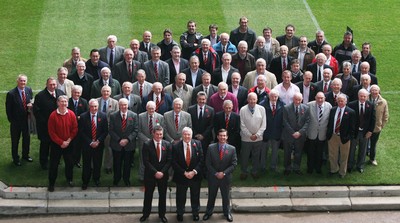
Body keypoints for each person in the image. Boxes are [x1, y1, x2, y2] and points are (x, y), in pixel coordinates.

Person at [203, 129, 237, 222]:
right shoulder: (211, 147)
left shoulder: (232, 149)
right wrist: (215, 173)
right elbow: (208, 163)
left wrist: (224, 173)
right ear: (217, 137)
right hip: (213, 177)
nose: (222, 137)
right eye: (220, 135)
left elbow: (234, 164)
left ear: (227, 137)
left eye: (224, 136)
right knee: (211, 196)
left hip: (225, 178)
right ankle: (208, 212)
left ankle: (227, 213)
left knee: (226, 197)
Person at [140, 125, 172, 223]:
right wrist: (155, 172)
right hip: (150, 175)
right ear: (153, 134)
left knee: (162, 195)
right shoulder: (147, 144)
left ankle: (162, 215)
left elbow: (169, 160)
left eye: (161, 134)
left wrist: (162, 172)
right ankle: (145, 214)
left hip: (163, 175)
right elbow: (146, 161)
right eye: (157, 134)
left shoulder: (167, 144)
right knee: (148, 195)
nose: (159, 136)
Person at [47, 95, 78, 192]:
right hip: (57, 145)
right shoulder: (53, 115)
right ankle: (51, 183)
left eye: (65, 102)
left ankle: (69, 179)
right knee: (54, 164)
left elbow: (75, 129)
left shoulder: (72, 114)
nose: (64, 103)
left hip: (69, 144)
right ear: (58, 103)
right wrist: (61, 142)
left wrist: (68, 141)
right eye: (62, 101)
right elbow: (51, 132)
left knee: (69, 163)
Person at [172, 127, 203, 222]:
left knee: (195, 195)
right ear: (182, 135)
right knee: (180, 196)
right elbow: (174, 162)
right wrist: (184, 172)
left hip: (195, 176)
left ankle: (195, 213)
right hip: (181, 176)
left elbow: (201, 160)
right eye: (185, 134)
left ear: (192, 135)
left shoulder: (197, 144)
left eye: (188, 134)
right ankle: (180, 213)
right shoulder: (176, 146)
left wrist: (194, 172)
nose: (187, 136)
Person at [33, 77, 66, 170]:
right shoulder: (40, 96)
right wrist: (48, 122)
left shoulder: (60, 93)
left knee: (56, 144)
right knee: (45, 144)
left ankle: (55, 160)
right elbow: (37, 112)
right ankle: (43, 162)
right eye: (50, 84)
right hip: (45, 127)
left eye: (54, 84)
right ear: (46, 85)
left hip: (58, 126)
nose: (52, 86)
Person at [79, 99, 108, 190]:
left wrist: (98, 141)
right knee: (86, 163)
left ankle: (96, 179)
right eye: (92, 106)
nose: (94, 108)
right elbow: (81, 132)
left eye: (95, 106)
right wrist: (90, 142)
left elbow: (105, 131)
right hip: (87, 145)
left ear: (98, 106)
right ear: (89, 107)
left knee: (97, 163)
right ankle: (85, 181)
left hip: (99, 145)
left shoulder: (103, 116)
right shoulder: (83, 117)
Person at [109, 98, 138, 186]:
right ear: (119, 105)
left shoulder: (133, 115)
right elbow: (111, 130)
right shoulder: (113, 115)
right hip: (116, 144)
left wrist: (127, 139)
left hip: (129, 145)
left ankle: (126, 179)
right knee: (117, 163)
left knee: (127, 164)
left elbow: (136, 130)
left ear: (128, 105)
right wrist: (119, 140)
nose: (123, 107)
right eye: (121, 105)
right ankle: (116, 179)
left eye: (125, 105)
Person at [6, 74, 34, 166]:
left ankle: (25, 155)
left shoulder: (28, 90)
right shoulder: (11, 94)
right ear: (17, 81)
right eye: (21, 80)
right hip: (16, 123)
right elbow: (8, 109)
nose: (23, 82)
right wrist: (12, 121)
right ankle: (15, 158)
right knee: (15, 141)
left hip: (26, 121)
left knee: (27, 139)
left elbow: (30, 101)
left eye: (24, 81)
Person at [326, 94, 356, 178]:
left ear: (346, 101)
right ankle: (334, 169)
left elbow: (352, 127)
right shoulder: (333, 110)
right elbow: (330, 123)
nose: (340, 102)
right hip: (333, 136)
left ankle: (342, 172)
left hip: (344, 138)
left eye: (342, 101)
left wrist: (348, 137)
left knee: (344, 155)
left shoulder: (351, 112)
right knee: (332, 154)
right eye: (338, 100)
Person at [239, 92, 266, 180]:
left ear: (257, 100)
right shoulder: (242, 109)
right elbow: (242, 125)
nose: (252, 101)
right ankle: (244, 172)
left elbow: (264, 124)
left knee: (256, 156)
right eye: (250, 99)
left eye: (254, 99)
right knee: (245, 156)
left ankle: (254, 171)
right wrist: (249, 135)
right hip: (246, 139)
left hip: (258, 139)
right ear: (247, 100)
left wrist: (257, 135)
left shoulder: (262, 109)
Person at [348, 89, 375, 173]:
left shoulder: (370, 105)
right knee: (351, 150)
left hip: (365, 132)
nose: (362, 98)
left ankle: (360, 166)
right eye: (361, 96)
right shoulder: (351, 105)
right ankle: (350, 165)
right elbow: (349, 119)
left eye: (364, 96)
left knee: (363, 150)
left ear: (367, 97)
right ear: (358, 96)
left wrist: (370, 131)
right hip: (354, 132)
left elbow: (373, 119)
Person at [282, 92, 310, 176]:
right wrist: (292, 132)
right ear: (293, 99)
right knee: (287, 152)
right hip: (289, 134)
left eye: (299, 100)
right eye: (296, 99)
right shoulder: (286, 108)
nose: (297, 101)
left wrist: (300, 132)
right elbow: (285, 121)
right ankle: (287, 168)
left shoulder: (306, 108)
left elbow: (307, 121)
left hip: (300, 135)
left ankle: (296, 168)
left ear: (302, 100)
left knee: (298, 152)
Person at [137, 101, 165, 182]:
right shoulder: (140, 116)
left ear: (155, 108)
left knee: (155, 159)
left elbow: (162, 130)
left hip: (156, 142)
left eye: (153, 108)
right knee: (143, 159)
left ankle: (154, 175)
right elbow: (138, 131)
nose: (151, 110)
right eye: (149, 108)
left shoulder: (160, 117)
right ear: (146, 108)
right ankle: (142, 176)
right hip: (143, 142)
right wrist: (147, 140)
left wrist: (154, 140)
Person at [259, 89, 285, 173]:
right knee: (263, 151)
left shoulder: (283, 105)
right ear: (269, 96)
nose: (274, 98)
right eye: (272, 96)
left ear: (278, 97)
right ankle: (262, 167)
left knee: (275, 151)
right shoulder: (262, 105)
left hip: (276, 132)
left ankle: (273, 167)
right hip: (265, 132)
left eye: (276, 97)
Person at [306, 92, 332, 174]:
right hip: (311, 132)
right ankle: (310, 168)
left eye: (322, 98)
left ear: (325, 98)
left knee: (320, 152)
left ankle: (318, 168)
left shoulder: (329, 106)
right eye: (318, 98)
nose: (320, 100)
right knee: (310, 152)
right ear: (315, 98)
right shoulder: (309, 105)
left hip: (322, 133)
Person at [97, 85, 119, 174]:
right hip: (97, 129)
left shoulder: (115, 103)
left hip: (109, 129)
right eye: (104, 91)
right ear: (101, 92)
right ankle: (94, 166)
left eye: (107, 91)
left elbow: (116, 117)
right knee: (96, 148)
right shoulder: (96, 101)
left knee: (108, 148)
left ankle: (108, 166)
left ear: (110, 93)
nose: (106, 93)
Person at [67, 85, 88, 168]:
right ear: (72, 92)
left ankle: (77, 161)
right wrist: (76, 117)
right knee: (71, 145)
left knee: (78, 145)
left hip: (80, 128)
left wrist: (80, 117)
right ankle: (70, 161)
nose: (77, 94)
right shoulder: (67, 101)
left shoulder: (84, 102)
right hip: (69, 127)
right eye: (75, 92)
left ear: (81, 93)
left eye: (78, 92)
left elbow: (86, 114)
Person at [369, 85, 389, 166]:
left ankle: (372, 158)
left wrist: (381, 126)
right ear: (370, 91)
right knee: (363, 144)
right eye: (372, 90)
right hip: (366, 127)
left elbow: (386, 115)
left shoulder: (383, 102)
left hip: (376, 127)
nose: (374, 92)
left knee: (373, 144)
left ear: (379, 91)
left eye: (376, 90)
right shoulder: (366, 99)